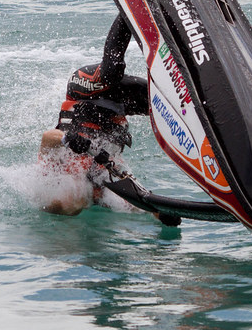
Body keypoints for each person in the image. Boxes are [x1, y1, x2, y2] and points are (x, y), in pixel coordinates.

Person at [38, 14, 180, 225]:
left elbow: (48, 138)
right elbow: (139, 201)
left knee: (111, 72)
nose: (73, 200)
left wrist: (69, 138)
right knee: (174, 103)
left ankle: (128, 12)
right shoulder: (105, 190)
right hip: (118, 104)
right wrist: (161, 213)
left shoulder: (52, 176)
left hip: (84, 92)